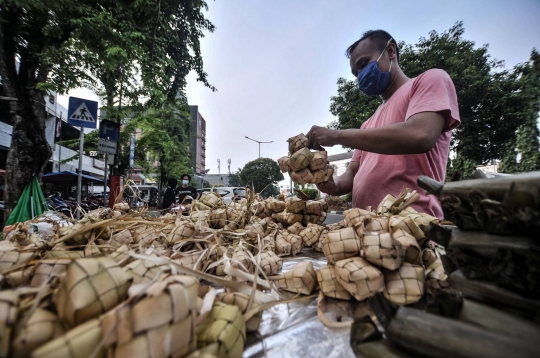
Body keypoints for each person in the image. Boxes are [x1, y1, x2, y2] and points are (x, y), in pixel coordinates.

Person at [307, 30, 460, 219]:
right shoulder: (367, 124)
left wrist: (336, 135)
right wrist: (330, 183)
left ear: (390, 51)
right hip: (365, 231)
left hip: (412, 229)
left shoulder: (429, 80)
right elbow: (352, 173)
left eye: (364, 64)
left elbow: (420, 135)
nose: (361, 75)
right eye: (356, 73)